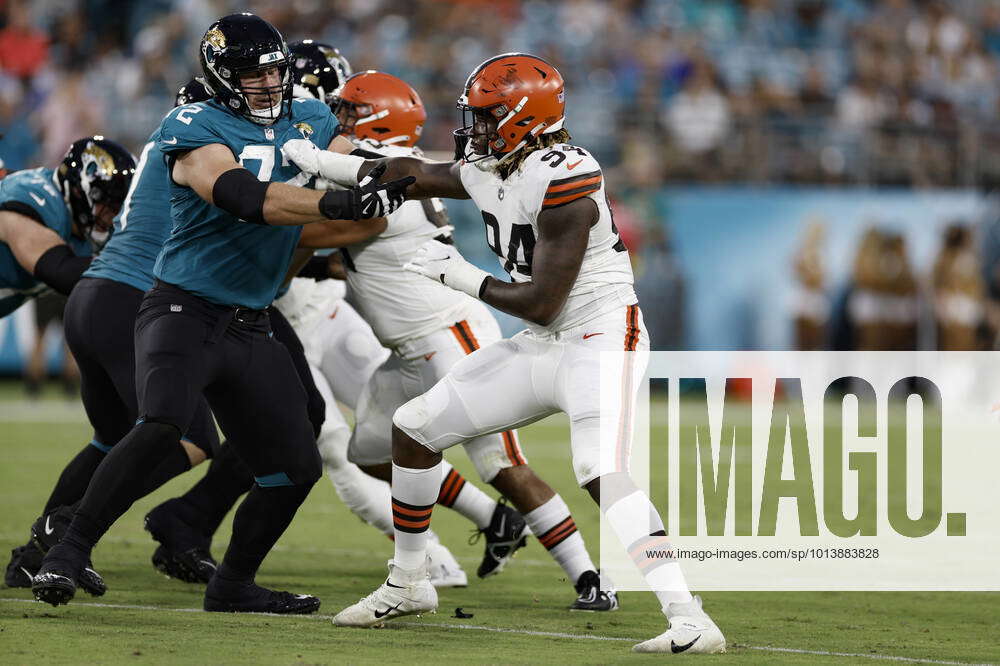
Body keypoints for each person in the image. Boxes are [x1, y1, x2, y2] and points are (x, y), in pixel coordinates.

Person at [283, 53, 726, 653]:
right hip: (544, 343)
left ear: (523, 118)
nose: (474, 130)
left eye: (487, 117)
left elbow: (543, 301)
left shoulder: (567, 177)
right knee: (413, 429)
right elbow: (410, 173)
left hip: (598, 335)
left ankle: (690, 616)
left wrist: (460, 276)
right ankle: (410, 581)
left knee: (601, 470)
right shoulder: (495, 162)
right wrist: (322, 163)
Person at [30, 13, 412, 614]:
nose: (267, 83)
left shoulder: (308, 118)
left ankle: (232, 583)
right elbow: (243, 196)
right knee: (162, 424)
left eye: (274, 71)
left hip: (250, 320)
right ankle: (66, 549)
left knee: (294, 467)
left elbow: (360, 166)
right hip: (181, 308)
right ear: (219, 76)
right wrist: (339, 197)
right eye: (252, 73)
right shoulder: (192, 122)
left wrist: (464, 176)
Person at [307, 70, 615, 607]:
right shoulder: (421, 164)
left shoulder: (385, 170)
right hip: (405, 349)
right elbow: (355, 246)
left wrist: (288, 171)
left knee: (501, 463)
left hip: (451, 332)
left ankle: (591, 578)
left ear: (377, 118)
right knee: (373, 450)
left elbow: (329, 221)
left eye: (352, 110)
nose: (340, 119)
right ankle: (492, 520)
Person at [1, 136, 135, 594]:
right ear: (78, 189)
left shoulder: (72, 214)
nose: (111, 215)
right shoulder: (28, 204)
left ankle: (43, 550)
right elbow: (61, 269)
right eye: (106, 202)